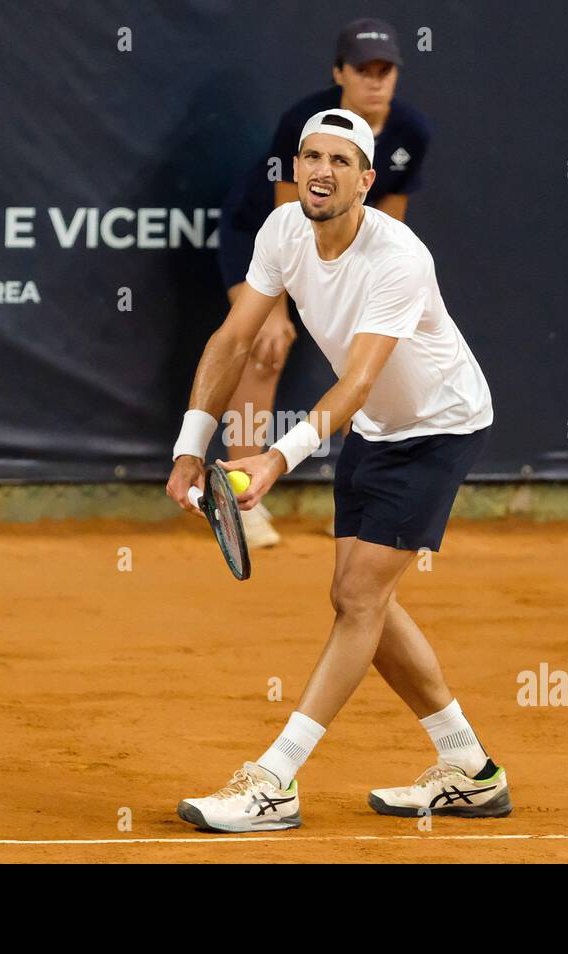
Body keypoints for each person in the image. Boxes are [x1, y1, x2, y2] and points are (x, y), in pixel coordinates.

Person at [166, 108, 506, 832]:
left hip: (439, 426)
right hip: (378, 429)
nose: (322, 170)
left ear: (366, 179)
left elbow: (355, 382)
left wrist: (275, 459)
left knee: (356, 598)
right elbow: (232, 339)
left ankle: (274, 782)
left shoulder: (399, 257)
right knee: (362, 605)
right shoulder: (282, 231)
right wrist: (190, 448)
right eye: (310, 157)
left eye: (340, 161)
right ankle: (471, 770)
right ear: (295, 169)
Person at [216, 17, 431, 546]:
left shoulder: (411, 133)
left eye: (386, 70)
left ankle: (362, 499)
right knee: (267, 345)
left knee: (373, 361)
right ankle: (240, 492)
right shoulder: (304, 122)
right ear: (340, 73)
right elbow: (290, 222)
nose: (376, 81)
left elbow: (391, 221)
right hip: (262, 235)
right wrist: (276, 311)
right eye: (363, 70)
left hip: (345, 243)